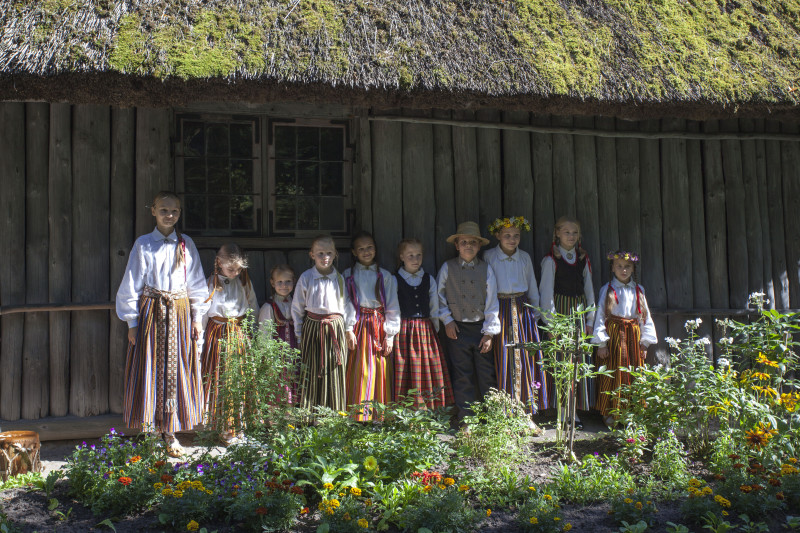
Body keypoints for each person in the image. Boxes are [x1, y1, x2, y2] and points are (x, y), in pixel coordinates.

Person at [115, 191, 209, 457]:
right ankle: (153, 432)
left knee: (177, 369)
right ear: (153, 211)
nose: (170, 215)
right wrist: (132, 322)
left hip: (179, 314)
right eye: (164, 210)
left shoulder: (185, 243)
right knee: (151, 367)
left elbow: (196, 282)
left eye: (174, 211)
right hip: (152, 314)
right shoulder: (144, 244)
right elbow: (132, 282)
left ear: (180, 213)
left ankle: (172, 431)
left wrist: (197, 317)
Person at [437, 221, 501, 428]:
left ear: (479, 246)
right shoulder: (448, 268)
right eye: (464, 242)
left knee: (486, 374)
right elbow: (439, 296)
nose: (468, 246)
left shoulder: (486, 269)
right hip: (457, 329)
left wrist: (490, 332)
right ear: (456, 245)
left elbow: (492, 302)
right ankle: (467, 418)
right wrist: (447, 320)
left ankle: (490, 417)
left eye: (473, 242)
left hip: (480, 328)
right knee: (462, 373)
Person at [484, 216, 546, 415]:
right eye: (507, 235)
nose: (512, 239)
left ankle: (525, 410)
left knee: (524, 358)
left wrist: (534, 315)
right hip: (499, 310)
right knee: (503, 357)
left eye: (516, 236)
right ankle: (504, 412)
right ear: (497, 236)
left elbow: (533, 286)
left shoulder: (524, 257)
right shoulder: (488, 257)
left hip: (521, 311)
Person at [539, 216, 596, 429]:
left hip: (579, 314)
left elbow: (589, 289)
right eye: (566, 232)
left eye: (574, 233)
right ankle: (562, 412)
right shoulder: (550, 261)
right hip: (561, 314)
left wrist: (590, 318)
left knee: (577, 362)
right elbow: (546, 295)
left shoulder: (583, 259)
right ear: (557, 234)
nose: (571, 236)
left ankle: (575, 412)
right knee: (562, 361)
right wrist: (552, 324)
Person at [200, 243, 258, 443]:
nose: (235, 273)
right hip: (218, 336)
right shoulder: (210, 285)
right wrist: (200, 343)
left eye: (239, 269)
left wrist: (252, 333)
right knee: (221, 380)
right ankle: (222, 429)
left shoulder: (244, 283)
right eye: (230, 269)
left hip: (239, 334)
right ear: (219, 263)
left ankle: (238, 427)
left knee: (239, 379)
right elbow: (203, 315)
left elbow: (253, 307)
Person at [592, 251, 657, 427]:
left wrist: (644, 343)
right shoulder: (608, 289)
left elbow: (645, 317)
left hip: (633, 337)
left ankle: (631, 413)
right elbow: (600, 316)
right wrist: (602, 343)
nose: (623, 270)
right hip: (613, 336)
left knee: (632, 372)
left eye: (627, 266)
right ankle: (610, 413)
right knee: (612, 373)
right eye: (619, 266)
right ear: (613, 268)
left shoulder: (639, 290)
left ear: (633, 268)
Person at [291, 235, 354, 413]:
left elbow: (347, 305)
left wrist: (349, 328)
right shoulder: (307, 277)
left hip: (335, 327)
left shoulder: (340, 279)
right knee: (311, 369)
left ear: (335, 254)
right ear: (312, 255)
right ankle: (310, 415)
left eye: (328, 253)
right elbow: (297, 307)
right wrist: (299, 333)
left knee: (334, 368)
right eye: (320, 253)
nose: (324, 257)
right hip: (313, 327)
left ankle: (334, 415)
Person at [344, 232, 401, 421]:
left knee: (379, 368)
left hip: (378, 326)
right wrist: (348, 328)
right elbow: (345, 303)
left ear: (375, 249)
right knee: (358, 369)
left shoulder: (385, 276)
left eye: (369, 247)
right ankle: (357, 416)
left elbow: (392, 305)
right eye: (360, 249)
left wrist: (390, 335)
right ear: (354, 252)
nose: (366, 251)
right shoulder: (348, 276)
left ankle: (378, 416)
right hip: (358, 326)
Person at [393, 238, 454, 410]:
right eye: (410, 255)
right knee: (406, 367)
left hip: (425, 329)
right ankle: (406, 409)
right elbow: (393, 307)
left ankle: (428, 407)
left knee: (427, 368)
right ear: (402, 256)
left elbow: (434, 307)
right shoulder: (394, 279)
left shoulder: (429, 279)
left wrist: (434, 329)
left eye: (418, 255)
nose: (415, 259)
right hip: (404, 329)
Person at [258, 264, 299, 403]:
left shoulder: (298, 305)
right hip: (277, 356)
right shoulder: (269, 307)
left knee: (296, 382)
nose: (284, 286)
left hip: (295, 353)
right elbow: (264, 335)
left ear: (294, 281)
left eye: (288, 281)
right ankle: (276, 421)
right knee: (279, 385)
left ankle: (293, 419)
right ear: (272, 283)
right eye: (279, 282)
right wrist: (270, 360)